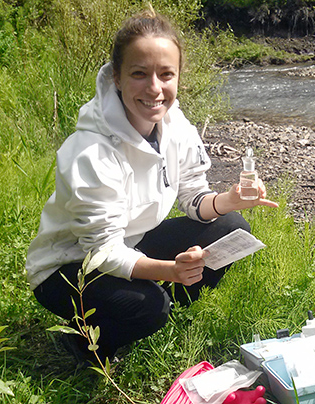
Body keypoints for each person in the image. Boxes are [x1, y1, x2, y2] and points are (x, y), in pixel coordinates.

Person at [25, 7, 278, 364]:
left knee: (230, 228)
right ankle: (89, 345)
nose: (155, 89)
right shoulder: (91, 152)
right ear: (117, 77)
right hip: (69, 268)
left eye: (166, 74)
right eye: (140, 74)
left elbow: (193, 195)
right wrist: (169, 270)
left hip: (131, 240)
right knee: (150, 307)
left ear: (178, 77)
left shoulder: (175, 126)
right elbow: (102, 252)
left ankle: (160, 310)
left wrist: (229, 200)